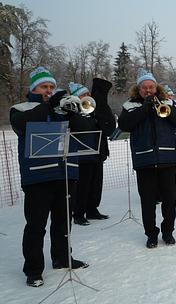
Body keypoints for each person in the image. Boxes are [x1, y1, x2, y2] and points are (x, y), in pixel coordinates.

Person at [10, 67, 89, 287]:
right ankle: (33, 270)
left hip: (65, 172)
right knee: (36, 225)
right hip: (38, 176)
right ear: (33, 88)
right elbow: (21, 124)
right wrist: (50, 104)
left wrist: (73, 113)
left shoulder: (62, 109)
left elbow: (85, 130)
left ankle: (62, 258)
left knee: (63, 223)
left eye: (52, 87)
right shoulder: (21, 108)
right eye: (44, 87)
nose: (48, 90)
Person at [118, 70, 176, 248]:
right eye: (144, 87)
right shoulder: (130, 105)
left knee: (170, 199)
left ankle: (168, 232)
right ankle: (151, 234)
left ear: (156, 87)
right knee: (148, 201)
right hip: (144, 160)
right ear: (139, 88)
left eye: (151, 87)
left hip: (167, 157)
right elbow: (124, 125)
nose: (148, 90)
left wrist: (165, 109)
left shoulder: (167, 102)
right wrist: (145, 108)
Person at [69, 79, 116, 226]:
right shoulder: (73, 112)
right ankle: (78, 213)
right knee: (82, 186)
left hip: (97, 153)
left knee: (96, 184)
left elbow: (108, 128)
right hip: (82, 155)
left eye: (88, 93)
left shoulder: (95, 110)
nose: (88, 96)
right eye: (84, 94)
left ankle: (92, 209)